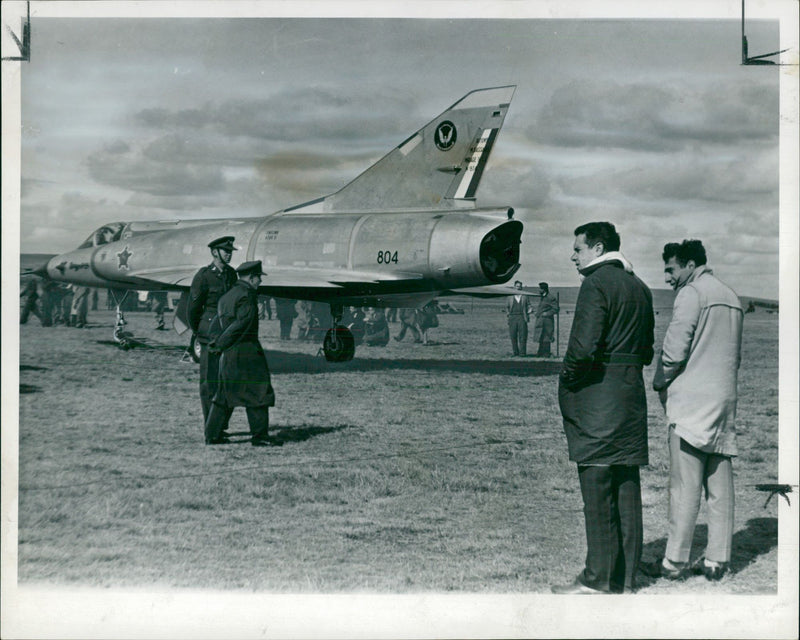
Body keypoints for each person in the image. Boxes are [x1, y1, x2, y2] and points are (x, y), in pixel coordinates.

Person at [552, 221, 654, 595]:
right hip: (630, 397)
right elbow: (647, 350)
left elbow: (582, 349)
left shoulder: (595, 284)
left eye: (578, 248)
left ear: (597, 248)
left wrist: (568, 381)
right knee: (626, 485)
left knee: (596, 488)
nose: (573, 255)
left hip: (598, 398)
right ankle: (625, 579)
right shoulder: (639, 286)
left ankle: (597, 578)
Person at [642, 240, 743, 582]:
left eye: (671, 269)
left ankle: (674, 561)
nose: (667, 277)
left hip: (691, 404)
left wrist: (659, 382)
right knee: (719, 483)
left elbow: (673, 350)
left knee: (684, 485)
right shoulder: (731, 296)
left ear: (688, 264)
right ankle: (717, 560)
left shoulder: (691, 293)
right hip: (723, 400)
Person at [205, 261, 276, 447]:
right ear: (251, 278)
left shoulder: (227, 295)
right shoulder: (247, 295)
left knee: (224, 394)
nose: (260, 281)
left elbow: (217, 324)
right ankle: (260, 437)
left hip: (229, 353)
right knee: (259, 391)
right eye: (258, 277)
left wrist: (216, 343)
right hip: (246, 350)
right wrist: (220, 344)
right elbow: (241, 324)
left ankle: (212, 435)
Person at [188, 236, 238, 426]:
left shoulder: (232, 275)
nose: (229, 254)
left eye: (230, 251)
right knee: (210, 381)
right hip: (209, 333)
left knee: (229, 380)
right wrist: (200, 331)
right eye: (226, 251)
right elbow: (193, 310)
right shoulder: (203, 276)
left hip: (228, 333)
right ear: (214, 252)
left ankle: (221, 422)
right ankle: (211, 425)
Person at [505, 280, 532, 356]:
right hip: (512, 317)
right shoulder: (509, 296)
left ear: (521, 287)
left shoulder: (525, 296)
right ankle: (515, 352)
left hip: (522, 317)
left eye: (520, 286)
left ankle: (522, 353)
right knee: (513, 336)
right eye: (517, 286)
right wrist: (508, 314)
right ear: (514, 287)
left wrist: (530, 310)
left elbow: (529, 305)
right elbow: (507, 307)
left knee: (523, 336)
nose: (518, 288)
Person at [533, 282, 559, 357]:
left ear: (544, 289)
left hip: (547, 321)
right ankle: (540, 353)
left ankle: (546, 353)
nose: (538, 290)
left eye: (540, 288)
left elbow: (556, 309)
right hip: (541, 321)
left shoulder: (551, 298)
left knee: (547, 337)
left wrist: (547, 314)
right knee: (541, 336)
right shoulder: (542, 297)